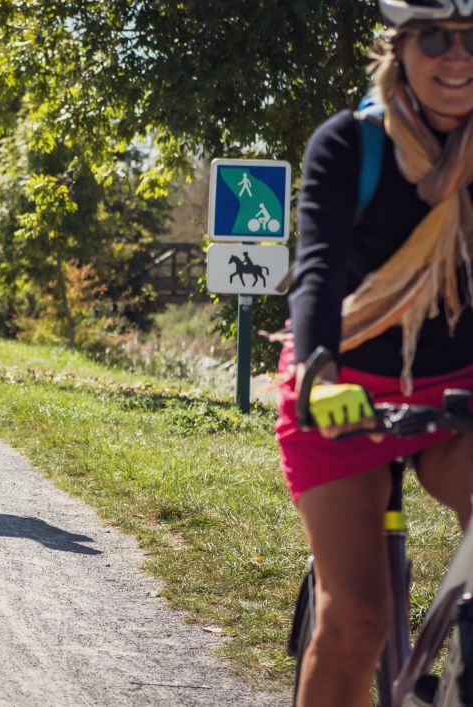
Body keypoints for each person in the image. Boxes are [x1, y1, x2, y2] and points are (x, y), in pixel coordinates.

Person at [276, 2, 473, 704]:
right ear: (400, 48)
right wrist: (318, 375)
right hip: (342, 385)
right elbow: (319, 267)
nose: (457, 57)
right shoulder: (350, 144)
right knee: (356, 613)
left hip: (455, 387)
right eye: (437, 39)